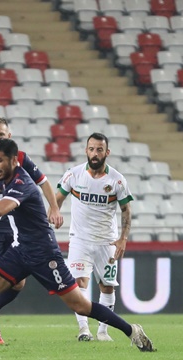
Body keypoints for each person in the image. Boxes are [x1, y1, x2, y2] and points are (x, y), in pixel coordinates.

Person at [0, 138, 154, 355]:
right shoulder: (6, 179)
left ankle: (132, 331)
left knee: (81, 306)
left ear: (14, 160)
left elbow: (0, 209)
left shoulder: (22, 183)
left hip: (43, 253)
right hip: (20, 250)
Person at [0, 117, 63, 344]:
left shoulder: (20, 159)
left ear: (9, 135)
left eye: (1, 134)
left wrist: (54, 208)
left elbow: (43, 182)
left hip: (17, 228)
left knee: (17, 283)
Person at [55, 132, 132, 342]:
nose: (95, 153)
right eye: (91, 149)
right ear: (86, 150)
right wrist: (54, 212)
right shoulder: (73, 175)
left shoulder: (117, 180)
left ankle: (103, 331)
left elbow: (126, 210)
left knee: (107, 286)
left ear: (107, 152)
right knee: (79, 283)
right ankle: (84, 330)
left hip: (107, 241)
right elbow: (58, 198)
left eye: (99, 149)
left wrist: (123, 238)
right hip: (79, 239)